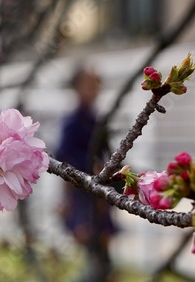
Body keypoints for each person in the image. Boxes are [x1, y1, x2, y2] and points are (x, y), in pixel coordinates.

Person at [55, 66, 117, 282]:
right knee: (90, 240)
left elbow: (110, 155)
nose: (94, 90)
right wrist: (66, 199)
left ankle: (103, 273)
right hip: (81, 192)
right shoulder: (72, 122)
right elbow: (64, 160)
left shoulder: (97, 120)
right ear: (77, 88)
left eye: (96, 84)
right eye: (89, 85)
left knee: (103, 243)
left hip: (99, 192)